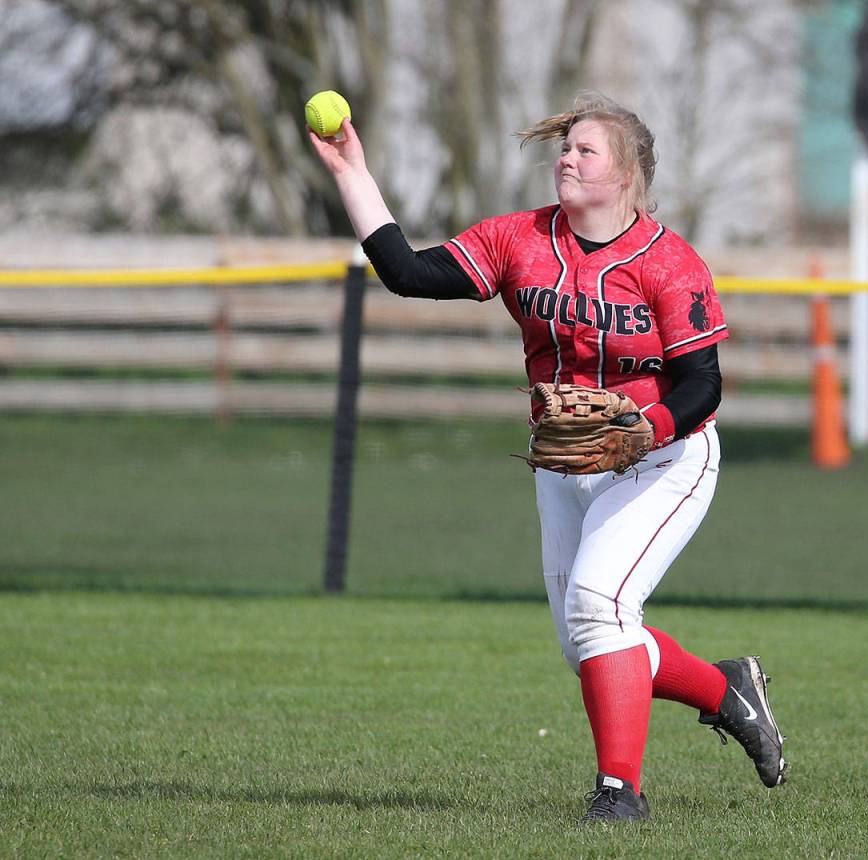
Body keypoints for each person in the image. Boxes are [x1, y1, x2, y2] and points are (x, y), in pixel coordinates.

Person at [308, 92, 787, 824]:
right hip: (565, 462)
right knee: (590, 644)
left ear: (625, 173)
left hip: (665, 459)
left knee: (601, 610)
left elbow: (703, 385)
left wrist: (644, 430)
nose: (566, 157)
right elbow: (407, 271)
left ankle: (619, 795)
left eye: (586, 149)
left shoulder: (670, 262)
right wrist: (352, 173)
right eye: (564, 147)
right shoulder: (519, 239)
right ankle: (729, 693)